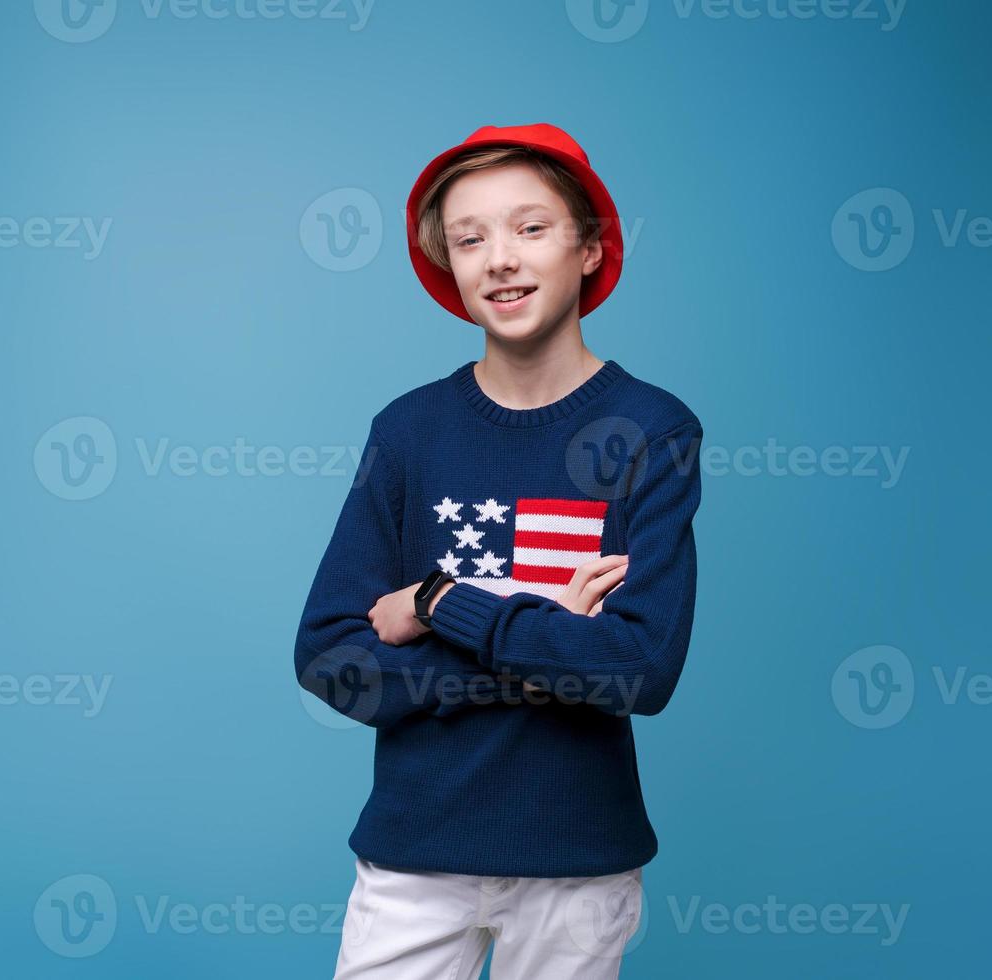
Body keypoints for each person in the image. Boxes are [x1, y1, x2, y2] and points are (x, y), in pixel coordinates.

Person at [294, 122, 704, 979]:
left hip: (578, 862)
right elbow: (331, 657)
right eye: (470, 239)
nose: (499, 260)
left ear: (588, 248)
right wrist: (548, 635)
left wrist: (440, 603)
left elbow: (639, 670)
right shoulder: (409, 431)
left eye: (530, 228)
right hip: (415, 850)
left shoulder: (652, 431)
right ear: (449, 264)